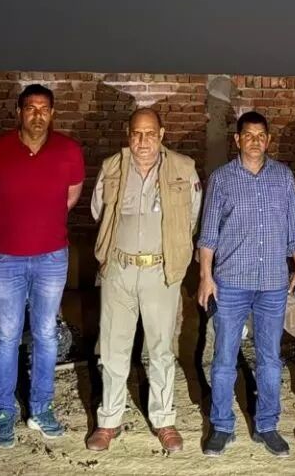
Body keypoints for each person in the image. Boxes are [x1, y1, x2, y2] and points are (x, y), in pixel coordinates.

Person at [86, 108, 202, 454]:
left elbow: (192, 216)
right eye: (137, 133)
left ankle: (164, 420)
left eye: (150, 133)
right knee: (113, 349)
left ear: (161, 135)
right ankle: (108, 421)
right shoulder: (112, 167)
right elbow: (98, 211)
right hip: (119, 270)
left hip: (160, 272)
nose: (143, 141)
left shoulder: (183, 168)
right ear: (128, 134)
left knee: (162, 349)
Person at [0, 84, 84, 447]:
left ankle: (41, 408)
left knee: (46, 334)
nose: (37, 115)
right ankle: (4, 410)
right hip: (6, 257)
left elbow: (70, 198)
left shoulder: (69, 150)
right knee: (6, 335)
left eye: (44, 109)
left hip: (51, 257)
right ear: (19, 112)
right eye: (30, 108)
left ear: (52, 113)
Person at [196, 111, 295, 457]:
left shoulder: (283, 176)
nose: (255, 141)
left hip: (273, 282)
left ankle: (267, 426)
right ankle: (221, 426)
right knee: (224, 357)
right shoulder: (222, 179)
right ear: (237, 139)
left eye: (261, 136)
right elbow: (208, 234)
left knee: (270, 358)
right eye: (249, 135)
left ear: (268, 140)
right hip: (230, 281)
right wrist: (205, 277)